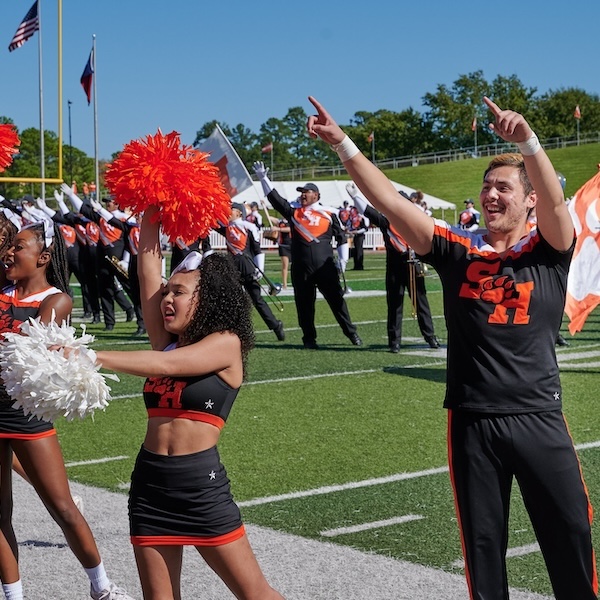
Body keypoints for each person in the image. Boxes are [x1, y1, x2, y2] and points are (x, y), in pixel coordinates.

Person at [307, 95, 597, 599]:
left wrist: (528, 142)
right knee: (483, 551)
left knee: (570, 535)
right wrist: (345, 147)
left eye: (503, 187)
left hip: (537, 417)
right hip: (472, 420)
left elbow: (554, 201)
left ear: (526, 200)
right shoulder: (457, 250)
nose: (490, 195)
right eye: (485, 187)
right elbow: (392, 204)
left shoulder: (549, 249)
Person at [65, 206, 284, 600]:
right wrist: (150, 208)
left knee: (254, 593)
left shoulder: (225, 344)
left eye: (178, 293)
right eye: (167, 293)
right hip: (150, 485)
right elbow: (148, 269)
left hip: (199, 485)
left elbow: (165, 364)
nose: (167, 298)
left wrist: (87, 354)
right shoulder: (167, 338)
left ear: (207, 299)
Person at [0, 221, 133, 600]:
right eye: (7, 245)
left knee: (63, 508)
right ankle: (14, 596)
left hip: (25, 416)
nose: (10, 251)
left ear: (43, 257)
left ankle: (101, 586)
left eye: (18, 246)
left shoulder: (57, 301)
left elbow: (24, 355)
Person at [251, 168, 361, 349]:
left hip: (325, 267)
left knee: (337, 302)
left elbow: (341, 238)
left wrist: (343, 261)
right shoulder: (293, 211)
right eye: (301, 192)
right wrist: (264, 178)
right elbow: (275, 199)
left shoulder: (330, 212)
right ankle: (309, 338)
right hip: (301, 268)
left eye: (306, 192)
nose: (302, 195)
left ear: (316, 195)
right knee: (304, 305)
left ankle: (352, 333)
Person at [347, 183, 440, 352]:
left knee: (421, 303)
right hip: (394, 267)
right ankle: (394, 341)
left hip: (413, 265)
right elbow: (367, 211)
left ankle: (430, 336)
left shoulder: (416, 220)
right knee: (394, 304)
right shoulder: (386, 221)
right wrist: (355, 196)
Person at [215, 203, 285, 342]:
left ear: (239, 213)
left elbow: (258, 250)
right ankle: (232, 330)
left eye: (231, 210)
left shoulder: (248, 227)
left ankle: (276, 325)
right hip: (231, 266)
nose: (228, 212)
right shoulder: (227, 227)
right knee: (230, 298)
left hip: (247, 266)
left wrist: (260, 269)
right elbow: (212, 223)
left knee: (257, 300)